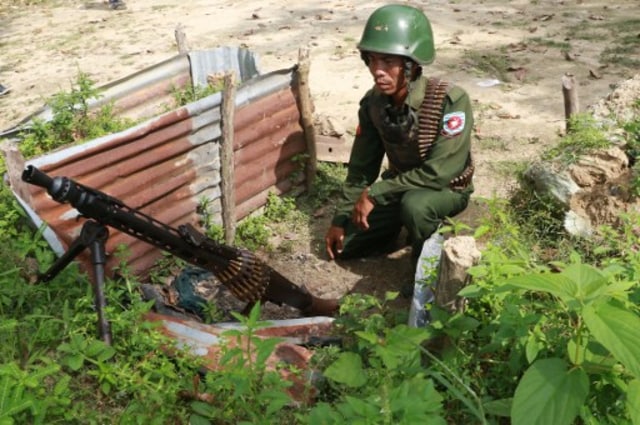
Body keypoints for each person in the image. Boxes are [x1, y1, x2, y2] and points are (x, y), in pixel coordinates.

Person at [324, 4, 474, 295]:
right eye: (372, 59)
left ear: (412, 64)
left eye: (388, 61)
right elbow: (361, 169)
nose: (377, 71)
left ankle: (425, 268)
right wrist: (340, 219)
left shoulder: (450, 101)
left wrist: (376, 192)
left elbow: (440, 173)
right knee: (346, 247)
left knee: (416, 207)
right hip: (400, 188)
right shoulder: (374, 104)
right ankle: (400, 229)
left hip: (446, 189)